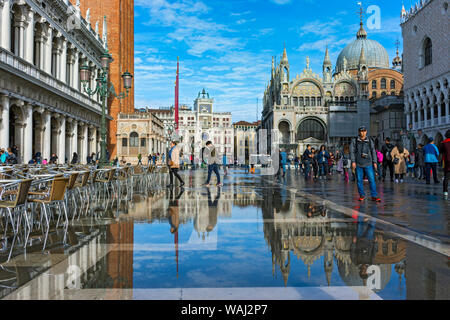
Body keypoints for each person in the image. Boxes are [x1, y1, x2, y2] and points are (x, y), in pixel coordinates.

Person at [350, 126, 381, 202]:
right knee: (359, 180)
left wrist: (375, 162)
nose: (362, 133)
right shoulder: (355, 141)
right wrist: (353, 161)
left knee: (372, 180)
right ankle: (362, 195)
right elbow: (352, 151)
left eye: (364, 131)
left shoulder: (370, 140)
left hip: (368, 163)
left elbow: (373, 151)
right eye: (361, 131)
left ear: (366, 132)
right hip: (358, 163)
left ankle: (374, 195)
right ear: (358, 132)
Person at [439, 130, 450, 198]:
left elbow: (440, 151)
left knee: (446, 177)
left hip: (447, 162)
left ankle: (445, 191)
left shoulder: (444, 143)